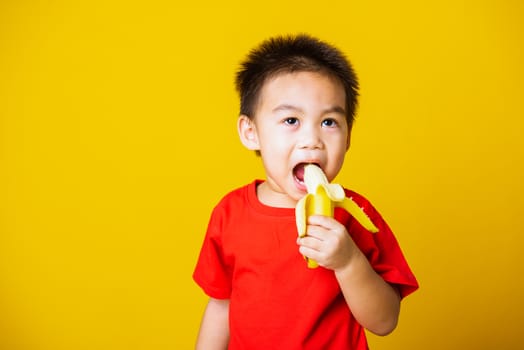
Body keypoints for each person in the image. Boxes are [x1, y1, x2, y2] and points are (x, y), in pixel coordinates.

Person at [193, 34, 419, 350]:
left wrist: (348, 261)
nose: (312, 139)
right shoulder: (229, 214)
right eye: (291, 120)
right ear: (251, 132)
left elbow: (385, 321)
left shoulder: (355, 215)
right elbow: (221, 305)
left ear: (348, 137)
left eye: (329, 122)